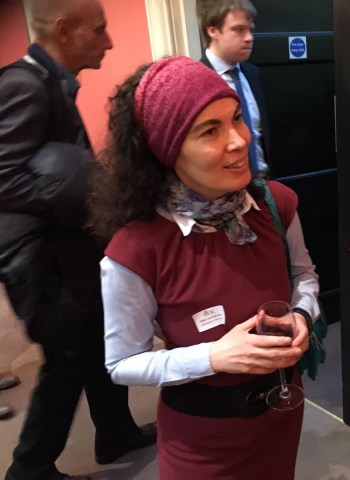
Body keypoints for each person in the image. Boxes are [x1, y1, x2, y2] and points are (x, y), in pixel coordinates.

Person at [88, 56, 320, 479]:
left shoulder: (275, 205)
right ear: (167, 148)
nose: (239, 140)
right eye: (210, 130)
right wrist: (212, 357)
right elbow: (122, 364)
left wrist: (302, 314)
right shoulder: (136, 250)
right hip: (202, 440)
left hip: (281, 410)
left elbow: (303, 275)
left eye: (236, 119)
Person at [0, 1, 155, 479]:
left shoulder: (50, 83)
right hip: (41, 262)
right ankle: (29, 469)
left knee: (95, 342)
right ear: (64, 30)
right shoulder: (24, 85)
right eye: (99, 29)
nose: (108, 41)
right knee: (65, 360)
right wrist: (69, 194)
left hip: (67, 254)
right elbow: (2, 177)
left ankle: (116, 432)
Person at [197, 0, 271, 176]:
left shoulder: (253, 74)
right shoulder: (195, 82)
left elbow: (260, 134)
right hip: (223, 186)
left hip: (263, 180)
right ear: (213, 31)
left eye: (250, 29)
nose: (249, 37)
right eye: (239, 29)